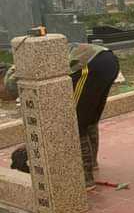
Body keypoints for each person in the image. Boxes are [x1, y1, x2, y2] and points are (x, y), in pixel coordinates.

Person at [0, 42, 120, 186]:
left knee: (74, 122)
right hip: (108, 60)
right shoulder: (21, 67)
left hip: (89, 65)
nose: (2, 99)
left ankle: (85, 178)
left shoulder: (11, 80)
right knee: (88, 119)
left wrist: (32, 146)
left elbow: (41, 114)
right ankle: (91, 163)